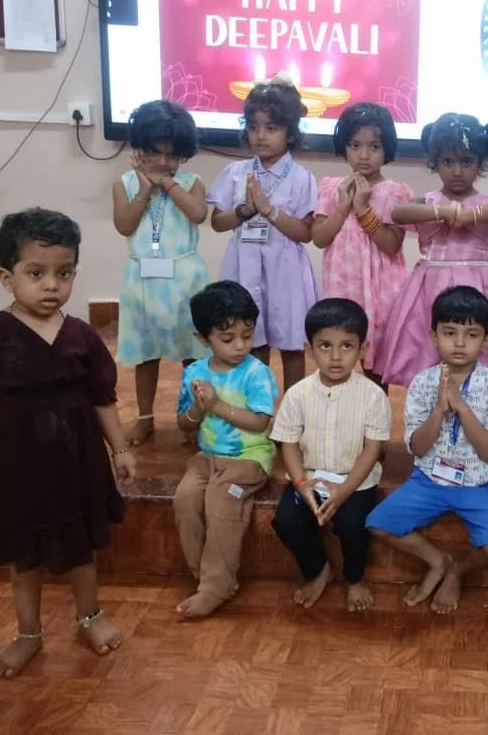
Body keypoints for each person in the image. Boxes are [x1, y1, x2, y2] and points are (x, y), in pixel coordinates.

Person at [0, 208, 136, 677]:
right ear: (7, 278)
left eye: (64, 272)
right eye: (37, 273)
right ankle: (28, 632)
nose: (52, 285)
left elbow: (102, 398)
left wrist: (122, 449)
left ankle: (89, 615)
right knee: (22, 551)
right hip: (13, 464)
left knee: (81, 545)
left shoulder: (82, 338)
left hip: (78, 458)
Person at [367, 286, 488, 614]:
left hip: (478, 482)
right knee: (378, 523)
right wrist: (438, 411)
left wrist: (461, 407)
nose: (460, 343)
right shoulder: (421, 383)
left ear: (486, 341)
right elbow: (417, 447)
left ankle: (458, 571)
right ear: (433, 336)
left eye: (471, 334)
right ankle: (438, 561)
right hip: (430, 478)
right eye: (450, 333)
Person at [375, 113, 488, 387]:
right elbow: (399, 213)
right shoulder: (427, 201)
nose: (457, 171)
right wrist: (443, 211)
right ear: (435, 163)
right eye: (448, 162)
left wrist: (471, 215)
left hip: (482, 288)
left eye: (467, 161)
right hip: (430, 290)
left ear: (480, 164)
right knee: (428, 355)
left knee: (481, 352)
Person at [270, 298, 390, 612]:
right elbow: (289, 444)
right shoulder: (297, 394)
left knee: (354, 526)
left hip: (356, 483)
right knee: (286, 521)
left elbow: (372, 450)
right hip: (309, 479)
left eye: (347, 346)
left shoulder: (373, 396)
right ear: (309, 349)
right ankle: (317, 569)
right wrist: (301, 484)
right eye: (325, 346)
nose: (336, 357)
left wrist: (343, 492)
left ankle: (354, 578)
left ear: (362, 350)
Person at [173, 281, 279, 618]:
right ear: (203, 339)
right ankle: (205, 576)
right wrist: (198, 410)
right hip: (206, 459)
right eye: (227, 338)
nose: (239, 346)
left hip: (250, 459)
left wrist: (217, 405)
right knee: (186, 498)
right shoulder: (195, 372)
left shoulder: (256, 373)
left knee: (222, 498)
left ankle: (215, 587)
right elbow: (184, 425)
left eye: (247, 336)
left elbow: (261, 423)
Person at [207, 76, 320, 392]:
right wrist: (244, 211)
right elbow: (217, 222)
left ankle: (291, 416)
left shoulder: (301, 178)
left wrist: (268, 210)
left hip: (285, 270)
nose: (260, 136)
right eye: (253, 127)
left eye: (271, 128)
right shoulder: (236, 172)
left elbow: (304, 233)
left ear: (290, 133)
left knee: (291, 344)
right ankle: (259, 409)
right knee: (251, 340)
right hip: (244, 266)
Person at [111, 100, 210, 447]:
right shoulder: (124, 183)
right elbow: (125, 225)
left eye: (173, 155)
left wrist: (167, 183)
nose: (165, 162)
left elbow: (199, 213)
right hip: (142, 281)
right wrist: (144, 189)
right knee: (145, 353)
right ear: (139, 148)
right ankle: (145, 417)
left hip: (186, 281)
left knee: (193, 354)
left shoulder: (191, 182)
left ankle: (193, 417)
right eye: (157, 153)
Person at [310, 103, 413, 384]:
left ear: (387, 148)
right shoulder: (332, 188)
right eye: (355, 145)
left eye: (374, 146)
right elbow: (319, 238)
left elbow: (391, 245)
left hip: (380, 293)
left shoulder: (395, 192)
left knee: (375, 367)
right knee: (337, 358)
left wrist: (364, 209)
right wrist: (344, 205)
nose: (364, 155)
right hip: (342, 287)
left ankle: (374, 423)